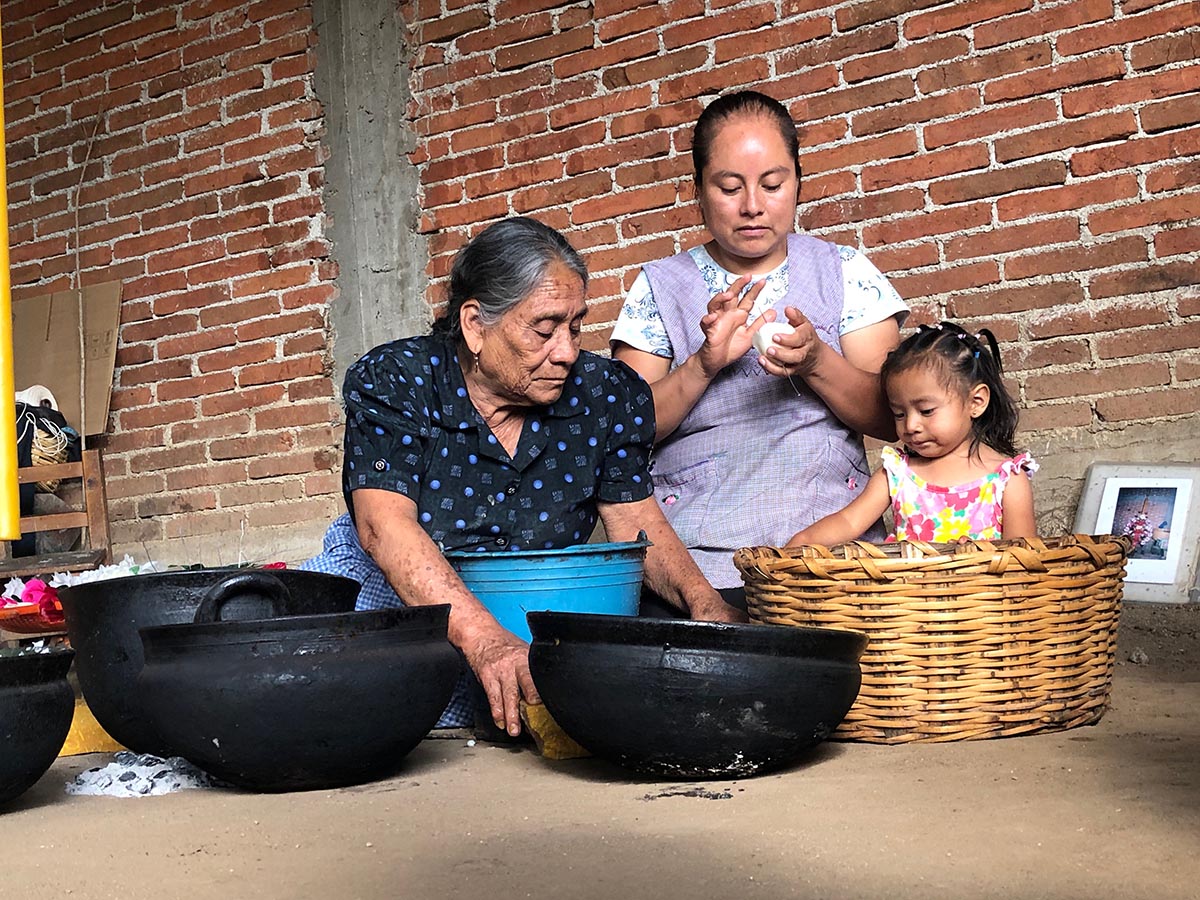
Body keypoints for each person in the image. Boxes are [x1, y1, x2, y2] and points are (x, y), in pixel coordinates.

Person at [302, 217, 743, 739]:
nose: (566, 352)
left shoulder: (605, 394)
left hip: (533, 604)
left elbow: (634, 521)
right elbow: (384, 528)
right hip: (401, 593)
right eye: (544, 329)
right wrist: (488, 642)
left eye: (575, 326)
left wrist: (706, 603)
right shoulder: (397, 381)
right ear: (475, 325)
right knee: (334, 708)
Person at [610, 90, 909, 602]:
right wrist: (703, 366)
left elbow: (895, 418)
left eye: (772, 184)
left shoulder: (845, 271)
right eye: (729, 187)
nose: (752, 205)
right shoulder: (660, 285)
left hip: (831, 556)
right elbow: (623, 429)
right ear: (698, 192)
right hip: (698, 563)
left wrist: (817, 363)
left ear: (797, 182)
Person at [786, 322, 1038, 546]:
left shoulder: (1007, 479)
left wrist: (981, 556)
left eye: (926, 410)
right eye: (899, 414)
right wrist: (801, 542)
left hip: (984, 598)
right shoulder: (897, 474)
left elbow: (1023, 558)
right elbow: (849, 522)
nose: (911, 425)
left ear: (976, 401)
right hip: (906, 598)